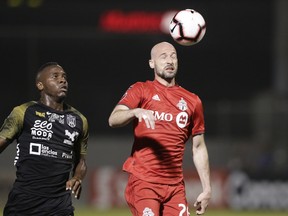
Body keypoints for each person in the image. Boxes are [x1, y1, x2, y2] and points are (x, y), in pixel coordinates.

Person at [108, 41, 211, 216]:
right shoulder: (141, 90)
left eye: (173, 56)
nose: (169, 61)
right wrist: (135, 111)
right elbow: (113, 119)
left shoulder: (192, 101)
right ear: (151, 63)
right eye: (163, 57)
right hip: (144, 183)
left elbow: (199, 146)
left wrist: (207, 188)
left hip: (175, 187)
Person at [0, 62, 89, 216]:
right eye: (55, 77)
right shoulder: (23, 112)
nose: (62, 80)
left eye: (64, 77)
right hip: (23, 203)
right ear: (40, 85)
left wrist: (77, 177)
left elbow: (81, 161)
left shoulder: (79, 120)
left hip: (60, 206)